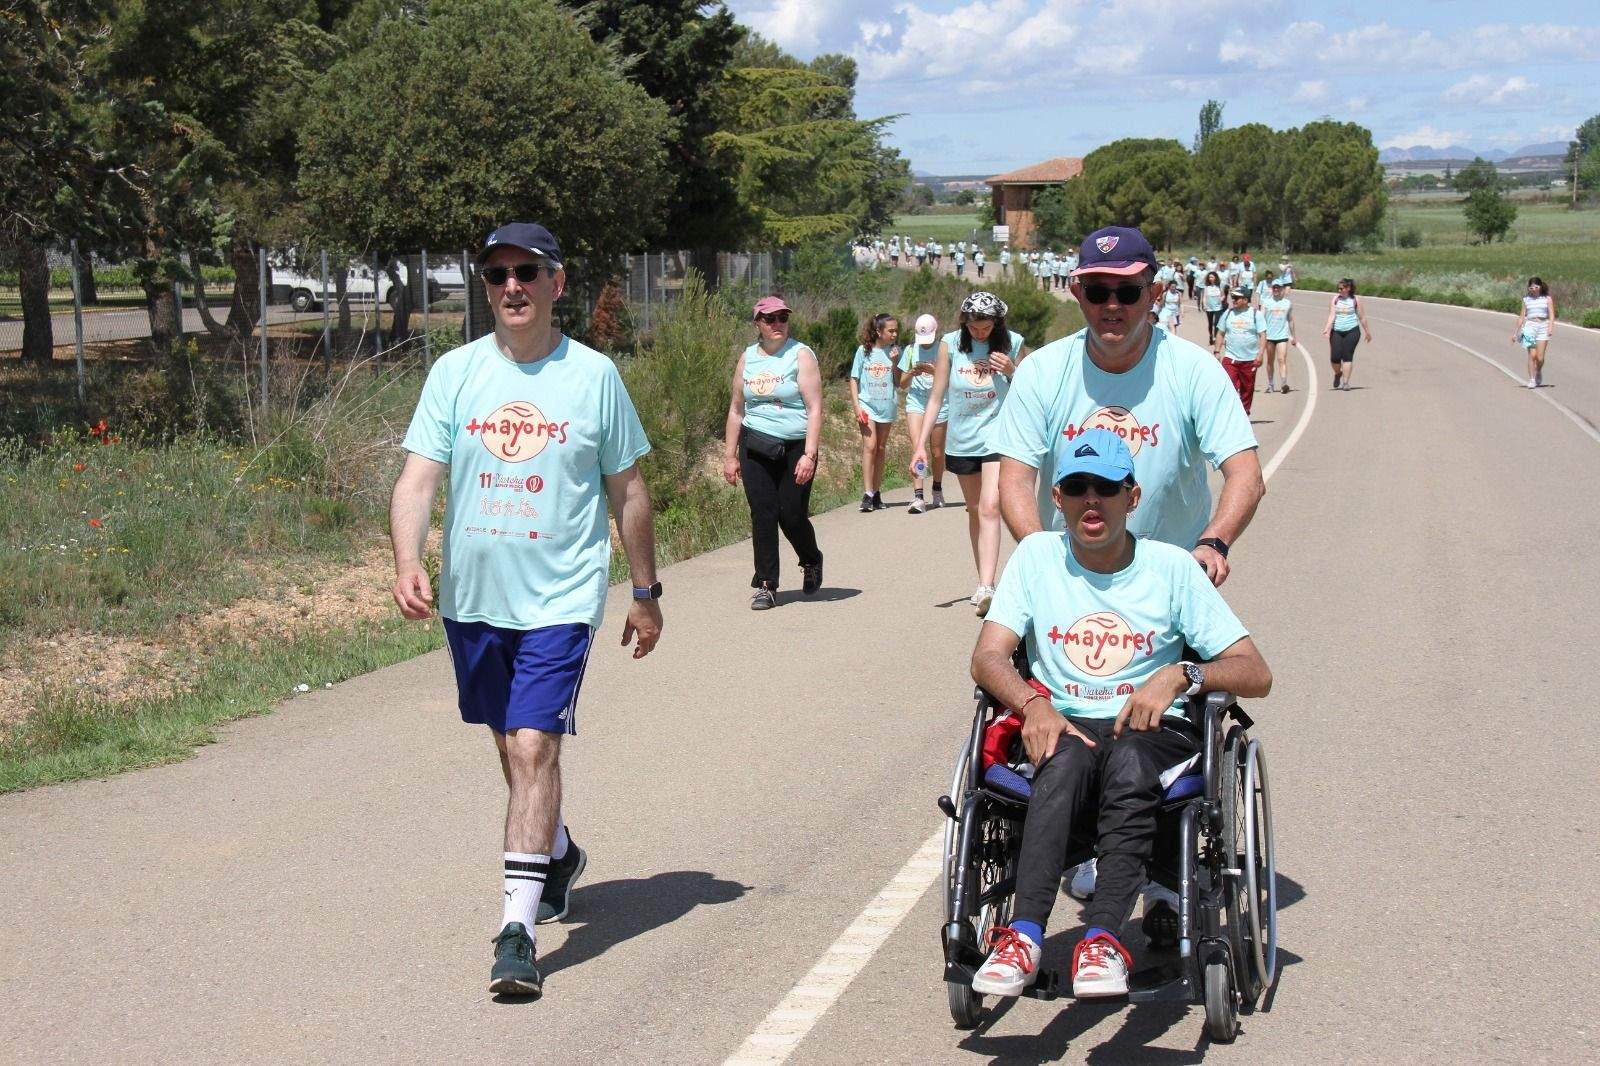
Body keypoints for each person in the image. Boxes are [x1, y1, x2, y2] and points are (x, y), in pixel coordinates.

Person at [391, 221, 663, 997]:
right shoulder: (455, 372)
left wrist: (645, 593)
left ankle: (516, 930)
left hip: (559, 598)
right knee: (510, 746)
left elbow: (629, 491)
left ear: (557, 283)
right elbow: (417, 480)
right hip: (473, 599)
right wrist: (408, 560)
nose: (512, 286)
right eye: (498, 274)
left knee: (536, 744)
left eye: (528, 272)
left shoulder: (594, 376)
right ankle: (559, 852)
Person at [968, 429, 1272, 998]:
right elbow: (987, 656)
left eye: (1105, 488)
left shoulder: (1173, 568)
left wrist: (1184, 673)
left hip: (1155, 731)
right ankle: (1024, 934)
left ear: (1131, 497)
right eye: (1077, 487)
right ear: (1055, 498)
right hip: (1065, 723)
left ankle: (1103, 936)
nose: (1092, 500)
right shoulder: (1037, 558)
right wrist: (1033, 702)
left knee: (1131, 760)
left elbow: (1256, 671)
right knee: (1060, 761)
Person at [993, 225, 1264, 589]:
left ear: (1154, 293)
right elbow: (1014, 480)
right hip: (1068, 576)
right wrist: (1040, 558)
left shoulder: (1195, 370)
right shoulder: (1041, 372)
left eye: (1128, 292)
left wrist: (1214, 542)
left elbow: (1246, 473)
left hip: (1172, 578)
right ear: (1077, 292)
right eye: (1097, 291)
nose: (1112, 305)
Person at [909, 291, 1024, 616]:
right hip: (962, 440)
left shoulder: (1012, 342)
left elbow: (1028, 391)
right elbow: (936, 396)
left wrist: (1012, 370)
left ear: (997, 323)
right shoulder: (950, 344)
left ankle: (987, 586)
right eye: (974, 327)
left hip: (999, 438)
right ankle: (982, 579)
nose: (980, 333)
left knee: (990, 506)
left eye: (986, 328)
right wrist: (920, 443)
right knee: (975, 510)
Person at [723, 295, 825, 610]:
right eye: (770, 319)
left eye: (783, 318)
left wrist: (809, 454)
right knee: (763, 513)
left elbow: (815, 408)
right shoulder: (747, 359)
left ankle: (811, 559)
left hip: (796, 445)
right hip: (755, 444)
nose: (777, 324)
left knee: (792, 515)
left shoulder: (801, 355)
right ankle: (767, 584)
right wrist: (729, 455)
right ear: (758, 324)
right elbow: (736, 409)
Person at [899, 313, 949, 514]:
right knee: (917, 446)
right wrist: (912, 372)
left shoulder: (944, 350)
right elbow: (902, 384)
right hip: (916, 403)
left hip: (940, 403)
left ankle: (937, 488)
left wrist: (933, 371)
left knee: (937, 451)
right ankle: (918, 496)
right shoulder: (911, 350)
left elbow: (951, 382)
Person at [851, 313, 900, 511]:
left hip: (887, 405)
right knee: (869, 446)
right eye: (891, 330)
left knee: (880, 447)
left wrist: (896, 363)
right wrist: (857, 405)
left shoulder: (896, 351)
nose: (895, 334)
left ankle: (877, 492)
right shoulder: (864, 351)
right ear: (878, 331)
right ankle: (867, 493)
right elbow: (854, 379)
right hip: (867, 405)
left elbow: (898, 382)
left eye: (896, 330)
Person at [1213, 287, 1266, 415]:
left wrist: (1260, 354)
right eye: (1233, 298)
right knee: (1228, 384)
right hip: (1231, 358)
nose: (1234, 300)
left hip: (1249, 360)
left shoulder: (1255, 314)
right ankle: (1229, 412)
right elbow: (1220, 333)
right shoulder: (1228, 313)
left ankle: (1244, 412)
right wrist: (1217, 351)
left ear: (1245, 299)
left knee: (1247, 388)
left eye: (1237, 298)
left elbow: (1263, 335)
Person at [1322, 277, 1372, 391]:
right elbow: (1332, 315)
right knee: (1335, 357)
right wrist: (1327, 327)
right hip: (1337, 331)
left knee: (1347, 356)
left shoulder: (1355, 300)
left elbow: (1362, 317)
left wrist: (1367, 332)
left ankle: (1345, 383)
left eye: (1341, 288)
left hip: (1352, 331)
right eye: (1338, 288)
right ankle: (1337, 373)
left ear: (1348, 288)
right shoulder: (1335, 299)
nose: (1339, 290)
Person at [1513, 276, 1556, 388]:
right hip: (1529, 327)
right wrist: (1515, 333)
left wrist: (1550, 327)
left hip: (1543, 327)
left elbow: (1551, 314)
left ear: (1540, 286)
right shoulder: (1526, 299)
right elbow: (1522, 317)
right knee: (1532, 355)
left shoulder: (1547, 298)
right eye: (1531, 288)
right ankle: (1532, 379)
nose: (1534, 289)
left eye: (1536, 287)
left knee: (1540, 358)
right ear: (1529, 288)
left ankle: (1538, 370)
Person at [1260, 279, 1295, 393]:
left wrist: (1294, 336)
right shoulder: (1266, 302)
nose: (1276, 289)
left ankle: (1284, 384)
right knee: (1270, 361)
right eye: (1274, 287)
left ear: (1282, 289)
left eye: (1278, 288)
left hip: (1282, 336)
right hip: (1269, 337)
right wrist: (1260, 336)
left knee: (1281, 359)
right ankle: (1271, 385)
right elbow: (1261, 319)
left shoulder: (1287, 303)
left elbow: (1290, 320)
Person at [1200, 270, 1226, 344]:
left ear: (1215, 278)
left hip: (1218, 307)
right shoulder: (1206, 287)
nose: (1210, 278)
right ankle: (1211, 336)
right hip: (1209, 307)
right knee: (1210, 323)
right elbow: (1204, 297)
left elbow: (1223, 295)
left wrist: (1221, 298)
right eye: (1209, 277)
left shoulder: (1219, 286)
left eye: (1212, 277)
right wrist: (1204, 305)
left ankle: (1215, 337)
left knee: (1216, 322)